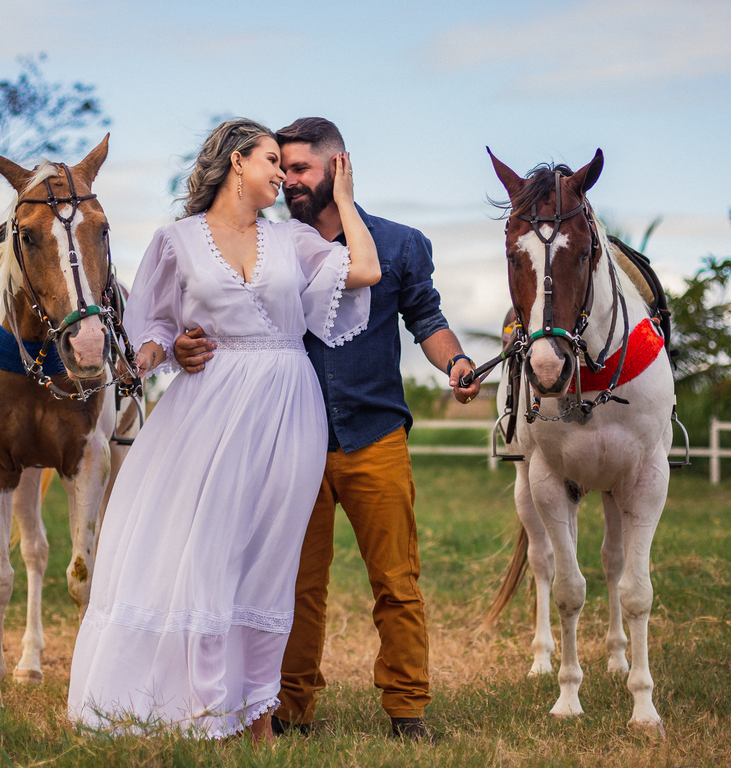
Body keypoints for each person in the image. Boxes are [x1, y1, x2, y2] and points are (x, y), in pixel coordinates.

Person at [67, 118, 381, 742]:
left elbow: (365, 270)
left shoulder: (293, 240)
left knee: (268, 560)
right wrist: (156, 353)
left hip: (289, 404)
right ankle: (200, 707)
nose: (282, 176)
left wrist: (344, 202)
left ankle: (255, 718)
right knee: (207, 552)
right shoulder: (174, 241)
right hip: (207, 408)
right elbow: (153, 325)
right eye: (272, 161)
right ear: (238, 163)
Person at [174, 117, 481, 741]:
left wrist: (456, 361)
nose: (287, 182)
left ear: (338, 167)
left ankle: (406, 710)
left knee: (397, 580)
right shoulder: (273, 245)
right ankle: (291, 710)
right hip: (293, 441)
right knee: (293, 584)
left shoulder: (400, 244)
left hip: (376, 435)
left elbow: (428, 320)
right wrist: (181, 346)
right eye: (280, 169)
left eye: (300, 170)